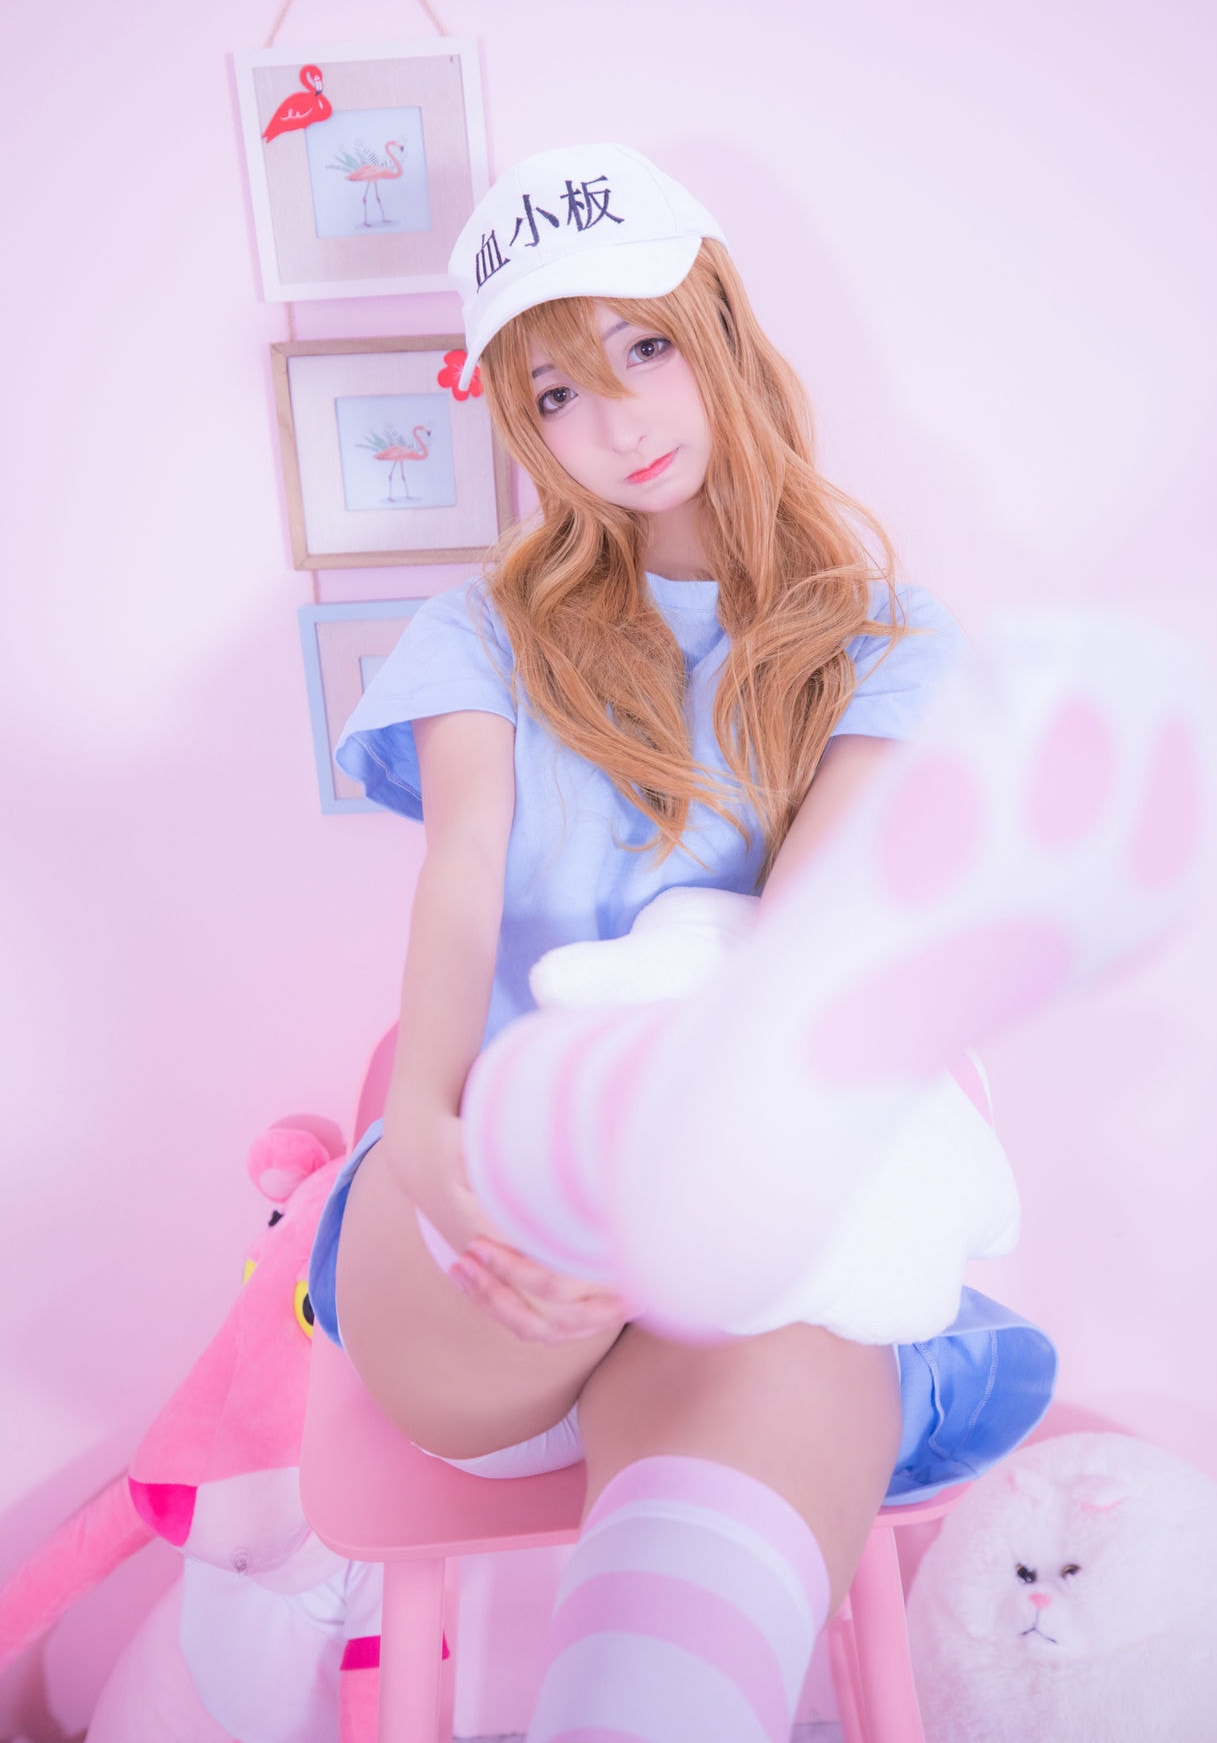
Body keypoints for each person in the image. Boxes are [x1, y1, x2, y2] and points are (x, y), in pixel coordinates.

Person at [309, 143, 1059, 1743]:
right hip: (494, 1210)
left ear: (719, 327)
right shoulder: (481, 635)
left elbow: (803, 950)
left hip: (743, 1211)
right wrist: (429, 1130)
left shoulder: (887, 643)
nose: (618, 420)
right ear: (524, 427)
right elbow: (460, 873)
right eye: (557, 392)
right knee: (574, 1196)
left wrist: (705, 1188)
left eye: (644, 348)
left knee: (672, 1646)